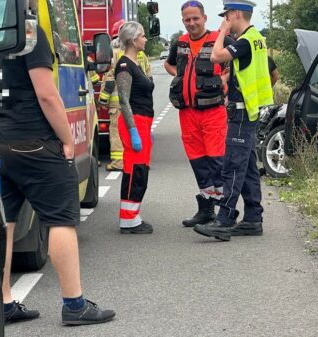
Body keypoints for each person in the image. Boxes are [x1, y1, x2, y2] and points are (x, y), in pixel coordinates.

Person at [0, 22, 115, 326]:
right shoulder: (28, 33)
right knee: (61, 219)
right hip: (35, 142)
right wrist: (66, 140)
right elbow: (46, 94)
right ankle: (74, 304)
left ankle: (2, 302)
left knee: (4, 224)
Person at [194, 0, 274, 241]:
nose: (225, 19)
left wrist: (221, 32)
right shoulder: (257, 37)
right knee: (249, 167)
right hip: (249, 111)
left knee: (232, 167)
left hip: (242, 113)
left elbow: (216, 57)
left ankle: (225, 219)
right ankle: (252, 218)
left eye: (227, 15)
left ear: (236, 14)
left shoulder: (247, 40)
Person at [164, 0, 233, 228]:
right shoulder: (180, 43)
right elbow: (169, 64)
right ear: (183, 20)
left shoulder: (219, 40)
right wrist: (182, 78)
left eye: (195, 18)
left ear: (204, 18)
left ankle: (225, 210)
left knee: (216, 159)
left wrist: (224, 79)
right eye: (187, 19)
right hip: (187, 113)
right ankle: (206, 208)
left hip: (213, 111)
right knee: (198, 161)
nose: (191, 23)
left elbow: (238, 64)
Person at [115, 21, 155, 234]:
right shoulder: (124, 66)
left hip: (142, 122)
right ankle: (128, 220)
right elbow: (123, 100)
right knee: (135, 171)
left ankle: (132, 215)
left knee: (141, 171)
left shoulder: (135, 62)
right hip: (135, 122)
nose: (145, 39)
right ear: (133, 40)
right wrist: (133, 130)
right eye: (142, 35)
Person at [99, 19, 152, 171]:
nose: (145, 39)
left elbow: (109, 79)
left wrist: (103, 98)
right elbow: (148, 76)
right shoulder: (142, 56)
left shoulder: (115, 54)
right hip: (138, 104)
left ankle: (117, 162)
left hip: (119, 102)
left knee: (116, 133)